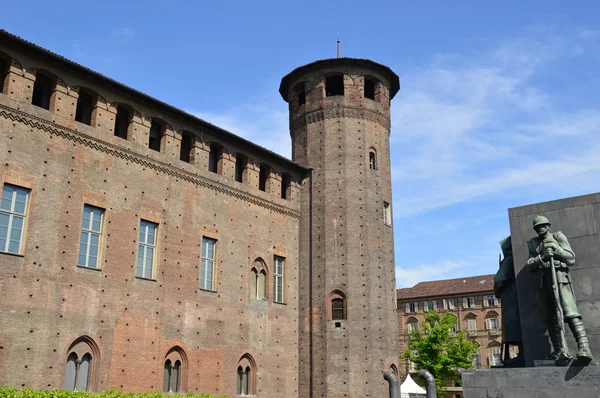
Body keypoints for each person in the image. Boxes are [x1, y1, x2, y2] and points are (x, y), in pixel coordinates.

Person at [526, 215, 592, 361]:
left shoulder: (558, 236)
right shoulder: (532, 243)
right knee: (550, 317)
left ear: (548, 226)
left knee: (571, 312)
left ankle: (584, 347)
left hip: (560, 279)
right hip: (544, 282)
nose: (540, 229)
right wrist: (541, 257)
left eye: (543, 226)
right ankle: (559, 350)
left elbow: (571, 259)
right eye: (537, 227)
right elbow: (530, 264)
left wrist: (556, 250)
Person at [493, 236, 524, 366]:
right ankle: (521, 354)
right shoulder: (515, 260)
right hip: (516, 296)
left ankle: (522, 354)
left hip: (510, 298)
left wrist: (497, 292)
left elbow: (499, 279)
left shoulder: (509, 260)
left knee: (513, 327)